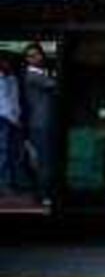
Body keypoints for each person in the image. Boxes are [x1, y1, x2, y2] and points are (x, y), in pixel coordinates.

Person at [20, 43, 56, 205]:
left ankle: (43, 193)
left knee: (45, 160)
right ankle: (43, 195)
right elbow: (53, 84)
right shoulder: (33, 75)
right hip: (41, 123)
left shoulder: (40, 73)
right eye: (30, 56)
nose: (33, 58)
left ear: (42, 55)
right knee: (44, 161)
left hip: (44, 122)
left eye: (36, 54)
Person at [0, 52, 21, 195]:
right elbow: (3, 101)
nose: (6, 64)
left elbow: (14, 100)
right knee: (3, 151)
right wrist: (12, 118)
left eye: (8, 61)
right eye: (3, 61)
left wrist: (17, 117)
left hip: (13, 119)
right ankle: (4, 184)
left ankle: (11, 182)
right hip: (2, 118)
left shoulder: (13, 78)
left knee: (13, 152)